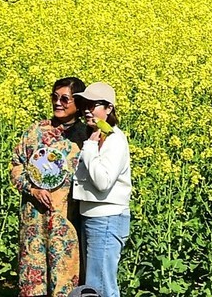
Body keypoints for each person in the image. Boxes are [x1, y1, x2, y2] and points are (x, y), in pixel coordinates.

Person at [10, 77, 88, 297]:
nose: (58, 103)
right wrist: (31, 189)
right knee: (32, 276)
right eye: (54, 97)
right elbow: (16, 166)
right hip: (34, 219)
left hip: (68, 220)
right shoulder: (35, 131)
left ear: (79, 104)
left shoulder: (85, 137)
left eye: (65, 99)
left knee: (65, 278)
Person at [73, 81, 132, 297]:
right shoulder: (95, 136)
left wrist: (89, 147)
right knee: (93, 286)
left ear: (109, 108)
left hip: (106, 219)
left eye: (94, 104)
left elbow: (102, 182)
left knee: (102, 287)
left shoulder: (114, 140)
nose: (87, 109)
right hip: (92, 217)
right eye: (84, 104)